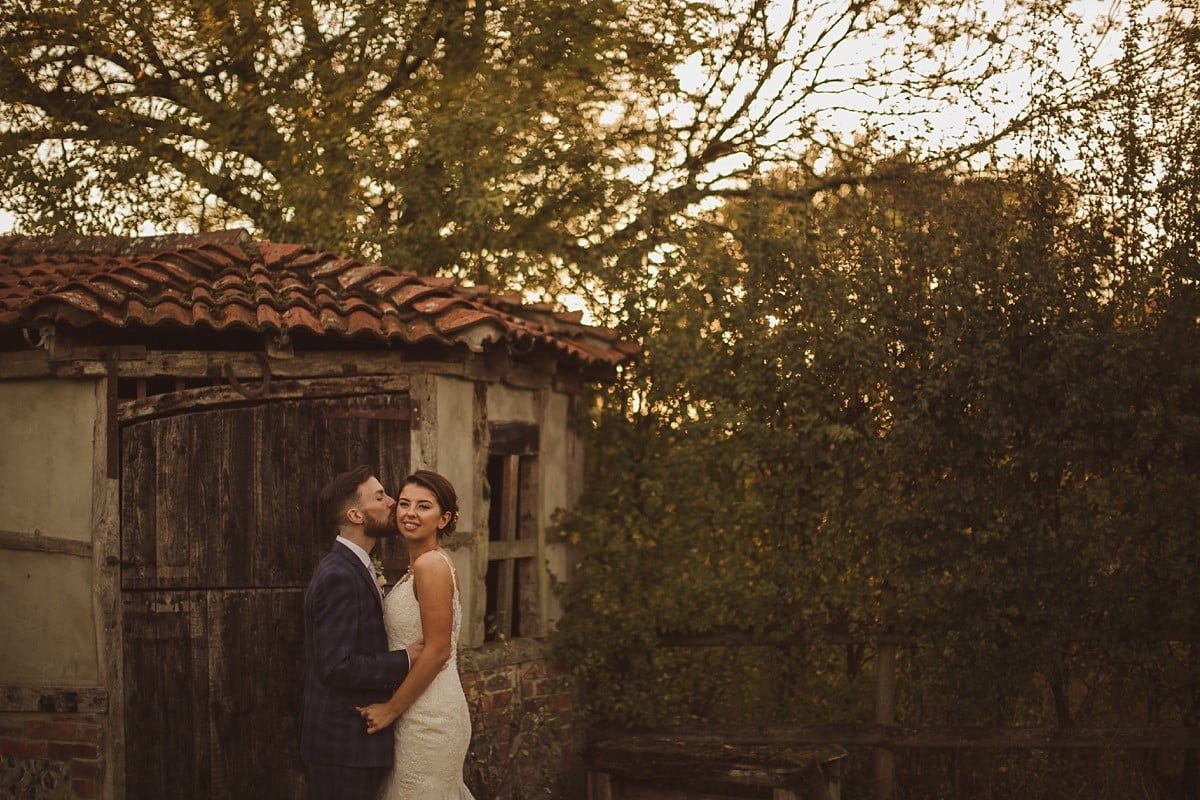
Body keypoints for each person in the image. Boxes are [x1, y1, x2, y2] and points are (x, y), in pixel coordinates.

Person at [301, 466, 424, 800]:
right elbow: (336, 665)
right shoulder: (339, 575)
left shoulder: (355, 566)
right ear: (355, 515)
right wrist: (405, 659)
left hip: (354, 746)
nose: (393, 502)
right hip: (342, 748)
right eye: (380, 496)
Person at [357, 469, 475, 799]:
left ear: (443, 518)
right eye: (405, 503)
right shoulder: (419, 565)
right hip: (416, 708)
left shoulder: (431, 566)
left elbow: (438, 651)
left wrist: (390, 709)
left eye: (424, 506)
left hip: (429, 716)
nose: (410, 513)